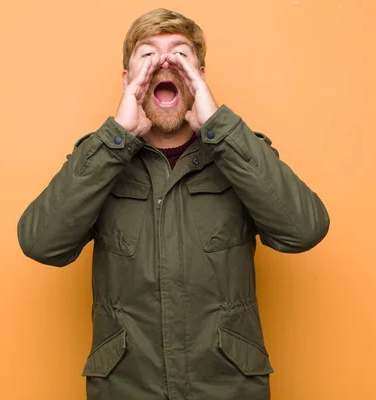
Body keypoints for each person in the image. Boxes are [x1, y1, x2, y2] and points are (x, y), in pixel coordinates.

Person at [17, 8, 329, 400]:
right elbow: (41, 243)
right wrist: (115, 138)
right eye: (147, 54)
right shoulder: (99, 158)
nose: (164, 62)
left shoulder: (239, 153)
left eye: (180, 54)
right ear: (128, 80)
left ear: (199, 76)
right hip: (126, 388)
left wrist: (219, 127)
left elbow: (304, 230)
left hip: (228, 388)